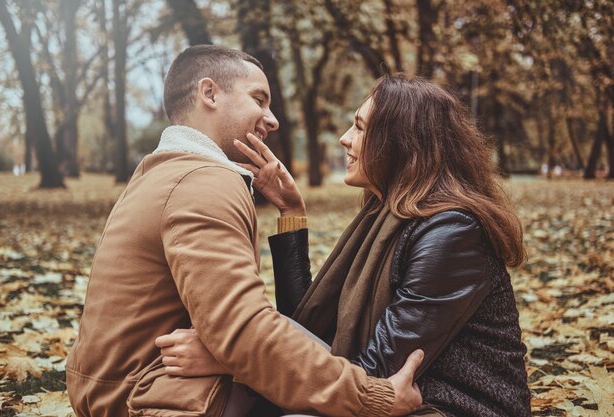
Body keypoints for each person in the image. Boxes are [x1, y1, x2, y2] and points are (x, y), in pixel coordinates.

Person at [65, 45, 424, 417]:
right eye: (258, 99)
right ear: (209, 94)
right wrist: (371, 398)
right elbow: (246, 330)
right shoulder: (204, 181)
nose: (272, 120)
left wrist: (291, 213)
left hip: (122, 391)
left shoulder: (161, 172)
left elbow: (245, 330)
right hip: (154, 400)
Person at [159, 74, 532, 417]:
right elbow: (309, 324)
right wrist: (291, 211)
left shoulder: (452, 233)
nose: (344, 138)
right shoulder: (381, 217)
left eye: (359, 127)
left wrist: (234, 358)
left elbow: (368, 375)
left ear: (399, 142)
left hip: (449, 406)